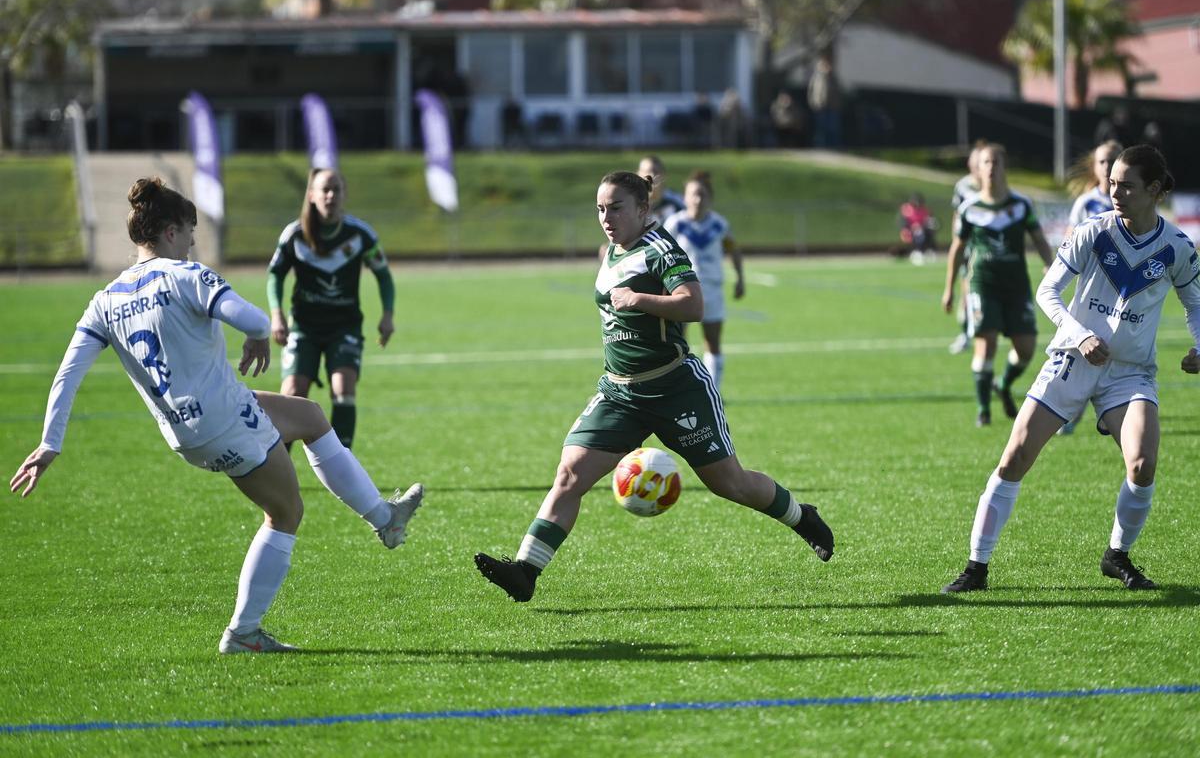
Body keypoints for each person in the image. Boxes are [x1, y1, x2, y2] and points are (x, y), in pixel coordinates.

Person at [9, 178, 424, 653]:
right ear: (169, 231)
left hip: (184, 433)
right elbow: (253, 319)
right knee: (285, 514)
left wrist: (50, 442)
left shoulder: (105, 301)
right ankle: (244, 632)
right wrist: (256, 336)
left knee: (309, 416)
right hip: (227, 419)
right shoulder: (188, 276)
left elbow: (67, 374)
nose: (191, 244)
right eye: (188, 233)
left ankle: (385, 519)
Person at [473, 171, 834, 603]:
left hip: (676, 389)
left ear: (643, 209)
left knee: (730, 483)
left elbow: (694, 304)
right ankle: (526, 571)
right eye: (600, 209)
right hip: (620, 393)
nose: (606, 217)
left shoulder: (660, 249)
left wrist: (638, 299)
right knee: (569, 475)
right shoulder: (612, 250)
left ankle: (801, 517)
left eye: (616, 208)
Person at [941, 145, 1200, 593]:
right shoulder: (1093, 231)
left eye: (1127, 186)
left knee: (1142, 464)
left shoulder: (1177, 247)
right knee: (1015, 456)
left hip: (1130, 372)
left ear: (1154, 190)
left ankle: (1116, 556)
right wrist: (1080, 334)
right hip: (1073, 361)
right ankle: (976, 567)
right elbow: (1048, 292)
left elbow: (1195, 304)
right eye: (1112, 182)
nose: (1114, 191)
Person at [268, 168, 395, 450]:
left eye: (336, 189)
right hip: (304, 327)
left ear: (344, 195)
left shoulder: (360, 235)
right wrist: (277, 314)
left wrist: (388, 314)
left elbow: (383, 275)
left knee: (343, 389)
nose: (330, 195)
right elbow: (275, 274)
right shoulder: (295, 234)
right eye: (324, 189)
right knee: (292, 394)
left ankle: (342, 464)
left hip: (344, 326)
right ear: (311, 195)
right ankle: (277, 464)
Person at [941, 143, 1055, 427]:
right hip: (983, 284)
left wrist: (1050, 267)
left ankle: (1003, 384)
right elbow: (957, 249)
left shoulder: (1021, 205)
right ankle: (983, 410)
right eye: (986, 163)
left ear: (1005, 167)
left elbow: (1039, 238)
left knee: (1026, 349)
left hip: (1016, 285)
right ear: (977, 170)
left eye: (996, 162)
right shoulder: (969, 209)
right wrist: (950, 288)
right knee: (986, 344)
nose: (991, 168)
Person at [1059, 139, 1123, 434]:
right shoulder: (1086, 203)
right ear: (1095, 167)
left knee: (1117, 349)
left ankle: (1108, 407)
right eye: (1103, 162)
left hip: (1125, 290)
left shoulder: (1131, 201)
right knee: (1085, 346)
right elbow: (1070, 241)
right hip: (1091, 288)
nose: (1108, 166)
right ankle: (1071, 409)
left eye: (1113, 160)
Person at [663, 170, 745, 389]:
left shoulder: (719, 224)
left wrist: (740, 278)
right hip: (682, 291)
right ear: (685, 197)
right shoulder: (675, 224)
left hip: (712, 290)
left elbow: (733, 249)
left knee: (713, 342)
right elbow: (661, 255)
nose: (698, 199)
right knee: (678, 344)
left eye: (703, 195)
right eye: (693, 194)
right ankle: (680, 389)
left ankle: (713, 391)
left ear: (710, 198)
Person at [948, 140, 988, 354]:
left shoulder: (993, 186)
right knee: (967, 291)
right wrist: (956, 238)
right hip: (969, 244)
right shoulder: (963, 186)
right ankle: (966, 334)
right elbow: (957, 215)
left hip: (988, 245)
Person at [806, 54, 842, 148]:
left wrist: (837, 104)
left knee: (832, 129)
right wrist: (813, 103)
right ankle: (820, 147)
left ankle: (833, 147)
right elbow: (810, 91)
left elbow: (838, 91)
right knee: (820, 129)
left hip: (832, 107)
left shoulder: (833, 77)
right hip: (820, 106)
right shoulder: (816, 78)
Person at [637, 155, 685, 225]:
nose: (652, 175)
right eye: (648, 171)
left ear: (664, 175)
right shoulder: (630, 203)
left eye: (656, 172)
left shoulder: (677, 202)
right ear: (638, 175)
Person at [894, 192, 938, 264]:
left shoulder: (924, 210)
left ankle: (929, 251)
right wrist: (911, 227)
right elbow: (903, 222)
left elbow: (928, 220)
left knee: (928, 232)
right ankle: (918, 252)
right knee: (919, 233)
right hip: (909, 231)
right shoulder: (906, 209)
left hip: (922, 229)